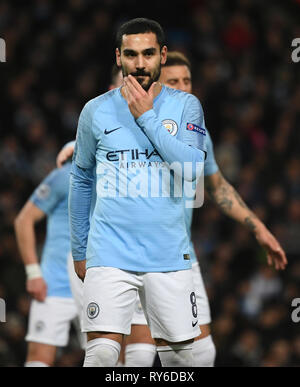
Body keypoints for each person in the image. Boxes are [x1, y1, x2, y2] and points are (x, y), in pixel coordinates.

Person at [59, 51, 288, 367]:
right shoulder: (126, 128)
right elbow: (92, 152)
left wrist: (258, 228)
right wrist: (71, 148)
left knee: (201, 354)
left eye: (187, 81)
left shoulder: (196, 136)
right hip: (131, 252)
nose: (183, 88)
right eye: (174, 82)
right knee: (130, 353)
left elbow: (218, 188)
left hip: (179, 256)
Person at [69, 17, 207, 367]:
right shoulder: (95, 111)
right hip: (109, 252)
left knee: (181, 363)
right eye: (131, 55)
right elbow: (81, 178)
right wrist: (79, 248)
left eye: (148, 54)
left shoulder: (186, 106)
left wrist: (147, 117)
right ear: (118, 57)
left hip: (168, 255)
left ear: (162, 54)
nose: (140, 64)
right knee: (100, 355)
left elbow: (192, 171)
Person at [14, 149, 84, 367]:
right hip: (55, 284)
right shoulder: (65, 176)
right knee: (39, 359)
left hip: (99, 285)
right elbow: (23, 220)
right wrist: (34, 273)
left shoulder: (118, 178)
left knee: (109, 357)